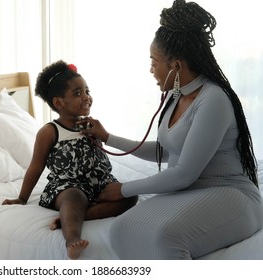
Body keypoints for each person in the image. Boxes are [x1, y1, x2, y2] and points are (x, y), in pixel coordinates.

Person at [78, 0, 263, 259]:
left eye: (154, 62)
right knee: (121, 228)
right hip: (191, 192)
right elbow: (165, 152)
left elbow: (184, 173)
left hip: (231, 195)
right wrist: (108, 137)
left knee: (165, 236)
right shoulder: (176, 95)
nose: (151, 69)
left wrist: (123, 189)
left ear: (175, 66)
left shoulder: (213, 99)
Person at [2, 60, 137, 259]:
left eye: (87, 91)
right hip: (68, 186)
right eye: (78, 93)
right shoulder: (50, 131)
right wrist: (22, 198)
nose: (86, 97)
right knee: (74, 198)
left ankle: (72, 218)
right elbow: (36, 166)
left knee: (130, 195)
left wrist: (101, 133)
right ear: (59, 103)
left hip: (99, 183)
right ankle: (72, 239)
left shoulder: (90, 125)